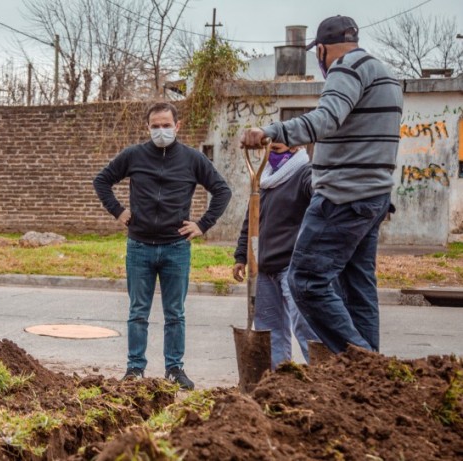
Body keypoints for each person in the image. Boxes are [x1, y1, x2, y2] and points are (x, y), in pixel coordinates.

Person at [240, 15, 402, 354]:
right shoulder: (385, 74)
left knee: (306, 281)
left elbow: (326, 118)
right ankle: (370, 378)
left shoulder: (346, 68)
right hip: (373, 198)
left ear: (323, 49)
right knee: (357, 289)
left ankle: (361, 363)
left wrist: (273, 131)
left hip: (342, 196)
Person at [93, 102, 232, 389]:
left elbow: (222, 190)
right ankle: (134, 369)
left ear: (177, 126)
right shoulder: (134, 155)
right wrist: (119, 211)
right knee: (137, 312)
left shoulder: (192, 159)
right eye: (155, 126)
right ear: (148, 127)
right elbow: (102, 181)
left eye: (166, 125)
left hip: (176, 247)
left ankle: (174, 369)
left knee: (175, 314)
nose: (161, 131)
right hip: (140, 246)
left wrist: (202, 224)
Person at [232, 142, 319, 369]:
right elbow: (250, 220)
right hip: (263, 266)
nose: (272, 155)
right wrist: (241, 255)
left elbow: (320, 202)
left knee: (306, 325)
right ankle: (278, 378)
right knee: (269, 330)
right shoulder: (264, 179)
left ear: (296, 147)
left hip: (293, 265)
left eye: (278, 150)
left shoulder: (304, 175)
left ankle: (323, 375)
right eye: (270, 150)